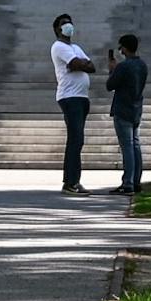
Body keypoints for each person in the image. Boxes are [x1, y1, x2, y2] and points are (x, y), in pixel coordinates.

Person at [50, 13, 95, 195]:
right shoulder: (59, 46)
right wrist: (78, 64)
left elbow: (92, 67)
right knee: (75, 139)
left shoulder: (75, 47)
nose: (68, 25)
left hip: (81, 96)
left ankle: (74, 180)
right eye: (63, 23)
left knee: (78, 140)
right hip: (70, 96)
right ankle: (70, 182)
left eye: (69, 23)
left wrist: (79, 65)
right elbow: (76, 63)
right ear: (57, 29)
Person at [108, 33, 148, 196]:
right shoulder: (142, 65)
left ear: (124, 48)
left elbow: (110, 85)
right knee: (135, 145)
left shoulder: (123, 67)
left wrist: (112, 70)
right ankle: (136, 179)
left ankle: (128, 182)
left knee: (127, 147)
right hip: (136, 108)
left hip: (123, 108)